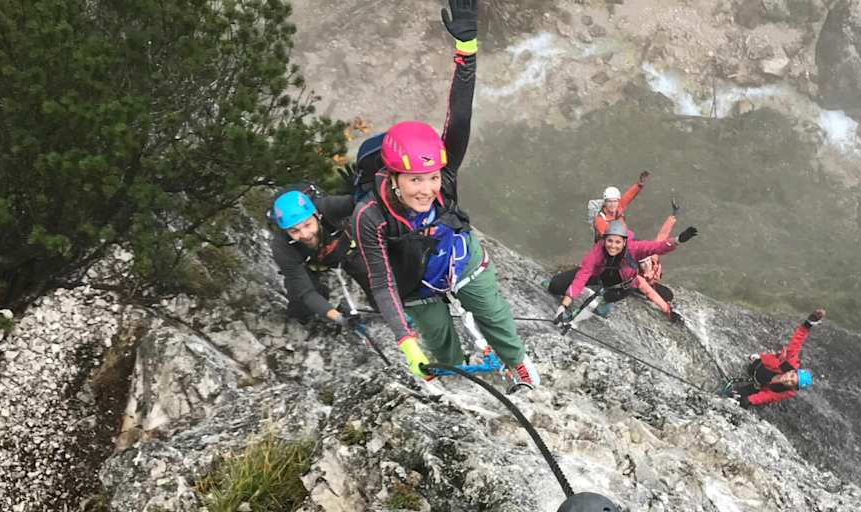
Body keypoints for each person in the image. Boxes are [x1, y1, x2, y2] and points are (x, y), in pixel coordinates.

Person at [352, 0, 540, 391]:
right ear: (393, 177)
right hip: (415, 284)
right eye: (415, 180)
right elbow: (382, 283)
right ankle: (458, 382)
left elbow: (460, 114)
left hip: (458, 258)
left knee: (496, 317)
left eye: (432, 177)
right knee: (442, 349)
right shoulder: (370, 215)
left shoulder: (445, 172)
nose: (426, 190)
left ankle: (517, 362)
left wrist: (466, 50)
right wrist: (407, 345)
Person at [546, 220, 698, 320]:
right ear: (604, 240)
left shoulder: (634, 249)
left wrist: (678, 240)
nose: (613, 246)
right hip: (599, 275)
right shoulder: (597, 253)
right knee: (555, 286)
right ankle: (556, 283)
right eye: (609, 241)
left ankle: (605, 301)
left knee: (618, 291)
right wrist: (563, 306)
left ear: (625, 242)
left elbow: (657, 246)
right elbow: (581, 277)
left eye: (617, 242)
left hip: (619, 283)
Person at [267, 186, 374, 327]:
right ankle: (309, 317)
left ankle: (382, 304)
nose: (305, 234)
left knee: (370, 274)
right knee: (300, 304)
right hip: (311, 264)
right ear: (285, 230)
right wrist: (340, 319)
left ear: (316, 214)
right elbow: (307, 292)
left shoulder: (328, 207)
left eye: (307, 225)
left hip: (345, 250)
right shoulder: (282, 247)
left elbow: (365, 202)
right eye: (294, 231)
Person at [726, 309, 824, 407]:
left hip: (759, 385)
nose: (787, 380)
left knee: (735, 397)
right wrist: (808, 324)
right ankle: (756, 364)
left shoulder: (785, 392)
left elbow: (768, 396)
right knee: (752, 367)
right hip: (760, 367)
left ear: (793, 388)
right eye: (791, 376)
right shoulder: (789, 363)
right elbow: (796, 343)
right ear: (792, 371)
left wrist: (748, 400)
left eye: (792, 383)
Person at [591, 171, 650, 240]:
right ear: (605, 203)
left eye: (615, 201)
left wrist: (639, 185)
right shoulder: (600, 219)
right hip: (612, 245)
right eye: (609, 201)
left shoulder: (619, 206)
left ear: (618, 201)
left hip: (623, 237)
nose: (612, 204)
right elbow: (610, 238)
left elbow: (629, 195)